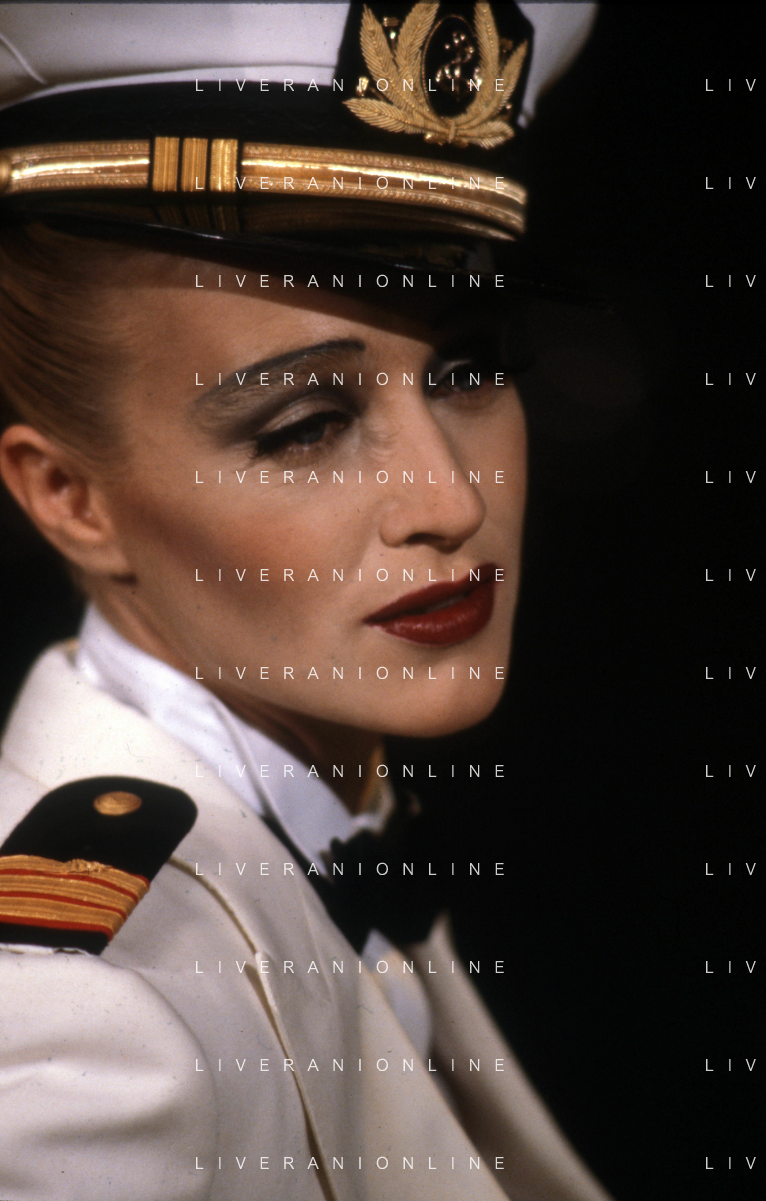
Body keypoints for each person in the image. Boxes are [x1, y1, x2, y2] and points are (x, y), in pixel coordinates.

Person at [0, 4, 616, 1199]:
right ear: (69, 497)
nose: (448, 500)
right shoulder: (79, 1023)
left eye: (471, 370)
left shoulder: (334, 831)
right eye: (305, 425)